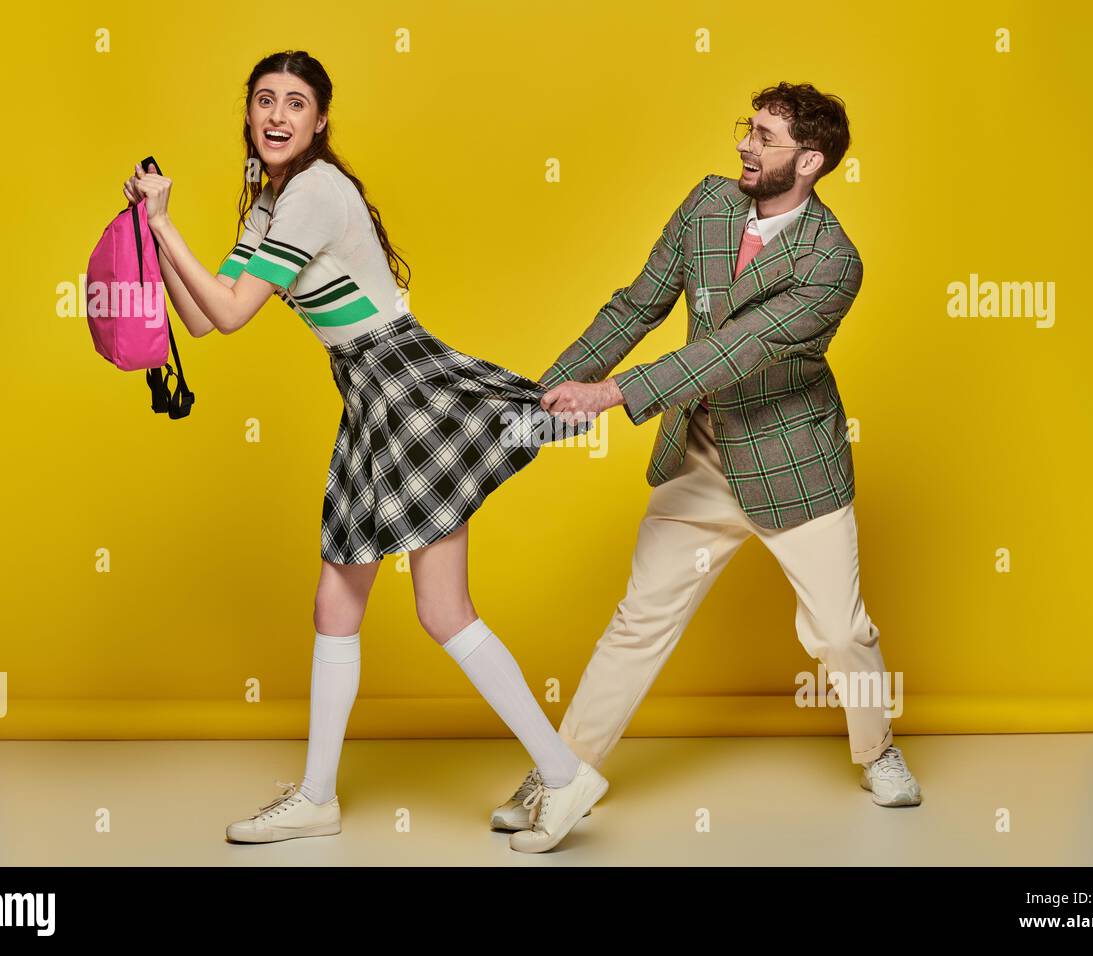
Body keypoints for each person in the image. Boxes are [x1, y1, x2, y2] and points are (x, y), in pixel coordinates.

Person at [124, 49, 607, 853]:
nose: (278, 116)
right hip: (370, 397)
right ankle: (319, 797)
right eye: (265, 101)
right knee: (339, 604)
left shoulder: (312, 193)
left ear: (320, 122)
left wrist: (165, 222)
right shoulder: (269, 200)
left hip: (406, 389)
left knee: (441, 612)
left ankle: (564, 777)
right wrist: (153, 236)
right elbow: (205, 318)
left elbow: (235, 314)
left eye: (296, 104)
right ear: (248, 112)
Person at [490, 82, 922, 830]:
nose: (744, 145)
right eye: (746, 129)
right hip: (700, 456)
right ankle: (562, 771)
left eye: (764, 136)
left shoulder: (832, 262)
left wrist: (616, 395)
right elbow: (637, 305)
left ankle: (876, 748)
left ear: (811, 160)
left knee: (839, 634)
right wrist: (553, 389)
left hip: (793, 468)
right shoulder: (707, 206)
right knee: (639, 619)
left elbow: (738, 348)